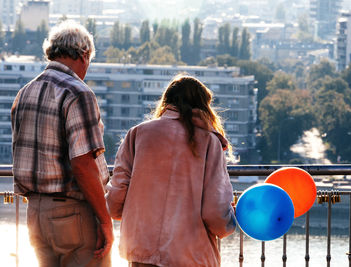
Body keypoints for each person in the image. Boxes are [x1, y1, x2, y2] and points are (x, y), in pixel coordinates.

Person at [11, 20, 113, 267]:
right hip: (73, 213)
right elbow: (83, 164)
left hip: (35, 214)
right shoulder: (78, 93)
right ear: (84, 55)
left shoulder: (24, 93)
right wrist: (105, 221)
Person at [106, 75, 236, 267]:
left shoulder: (138, 134)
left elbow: (116, 198)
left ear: (166, 102)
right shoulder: (209, 142)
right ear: (203, 107)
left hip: (142, 251)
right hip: (189, 255)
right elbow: (214, 212)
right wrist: (230, 222)